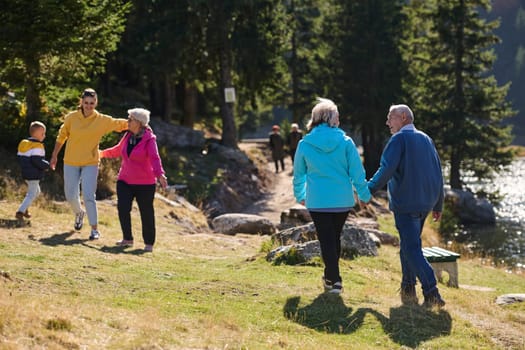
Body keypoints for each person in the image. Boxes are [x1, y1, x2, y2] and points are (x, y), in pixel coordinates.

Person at [368, 104, 446, 308]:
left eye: (390, 118)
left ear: (403, 117)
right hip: (425, 203)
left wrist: (368, 189)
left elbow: (386, 169)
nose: (387, 123)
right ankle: (408, 286)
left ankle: (432, 292)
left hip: (406, 204)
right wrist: (438, 204)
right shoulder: (426, 139)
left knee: (411, 249)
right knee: (408, 245)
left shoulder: (398, 139)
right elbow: (438, 172)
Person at [293, 98, 371, 294]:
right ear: (329, 118)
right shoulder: (346, 142)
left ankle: (334, 279)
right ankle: (331, 278)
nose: (339, 118)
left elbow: (298, 174)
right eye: (337, 115)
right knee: (333, 238)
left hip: (317, 201)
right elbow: (357, 172)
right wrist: (364, 195)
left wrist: (300, 195)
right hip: (342, 201)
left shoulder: (305, 143)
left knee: (327, 239)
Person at [49, 88, 128, 240]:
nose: (89, 106)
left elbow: (120, 124)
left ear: (96, 103)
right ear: (81, 102)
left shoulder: (101, 120)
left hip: (90, 163)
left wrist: (139, 122)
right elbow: (62, 136)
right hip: (71, 161)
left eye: (92, 103)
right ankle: (79, 213)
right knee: (70, 195)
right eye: (86, 103)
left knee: (88, 195)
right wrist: (54, 155)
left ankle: (94, 229)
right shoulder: (71, 118)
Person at [100, 108, 167, 253]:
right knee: (123, 208)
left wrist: (160, 175)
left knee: (146, 212)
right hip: (125, 180)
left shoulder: (149, 139)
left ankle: (149, 243)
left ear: (139, 123)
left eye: (130, 119)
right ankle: (127, 238)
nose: (127, 122)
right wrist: (101, 153)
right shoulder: (127, 136)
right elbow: (118, 150)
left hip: (145, 183)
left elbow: (155, 159)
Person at [15, 121, 50, 220]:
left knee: (36, 192)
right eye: (42, 133)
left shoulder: (24, 144)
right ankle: (20, 212)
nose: (44, 135)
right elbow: (37, 160)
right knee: (32, 193)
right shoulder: (37, 146)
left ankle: (24, 207)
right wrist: (47, 166)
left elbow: (21, 157)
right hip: (34, 173)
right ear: (36, 134)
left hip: (26, 172)